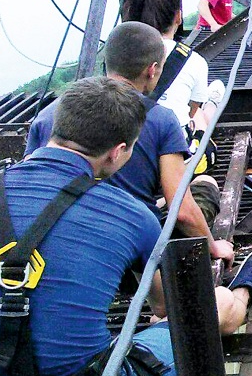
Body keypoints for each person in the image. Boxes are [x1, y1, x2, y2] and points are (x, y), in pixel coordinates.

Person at [0, 76, 252, 376]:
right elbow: (167, 308)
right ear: (118, 152)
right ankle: (243, 291)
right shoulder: (131, 215)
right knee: (209, 309)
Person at [24, 22, 233, 265]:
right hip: (130, 242)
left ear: (107, 62)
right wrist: (214, 247)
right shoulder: (161, 119)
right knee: (204, 184)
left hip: (62, 237)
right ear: (152, 70)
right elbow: (182, 211)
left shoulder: (47, 115)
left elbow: (31, 182)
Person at [121, 0, 225, 179]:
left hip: (131, 155)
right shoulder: (194, 60)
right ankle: (212, 103)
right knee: (197, 114)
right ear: (178, 16)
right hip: (176, 157)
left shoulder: (118, 55)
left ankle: (210, 102)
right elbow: (191, 111)